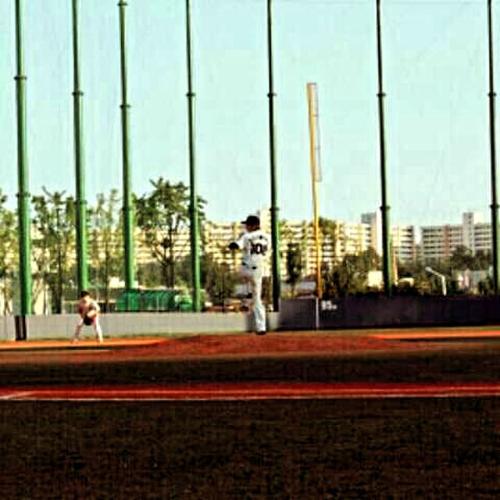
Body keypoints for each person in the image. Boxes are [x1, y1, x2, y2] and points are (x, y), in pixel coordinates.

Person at [229, 215, 270, 335]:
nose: (246, 226)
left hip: (247, 268)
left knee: (240, 277)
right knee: (257, 299)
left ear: (253, 225)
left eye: (247, 224)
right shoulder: (268, 237)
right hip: (260, 270)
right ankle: (261, 327)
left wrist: (233, 245)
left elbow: (237, 245)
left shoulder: (247, 236)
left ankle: (246, 299)